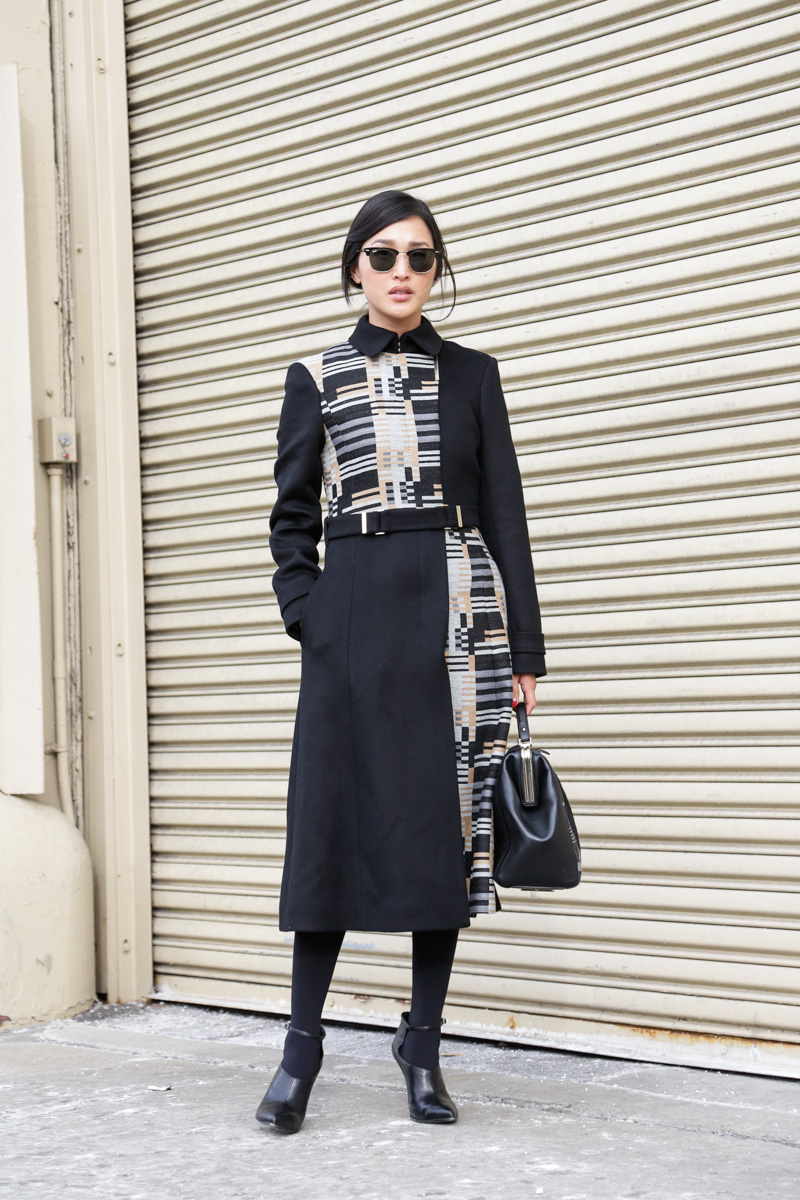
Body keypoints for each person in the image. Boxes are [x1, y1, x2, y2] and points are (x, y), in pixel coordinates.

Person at [258, 190, 546, 1133]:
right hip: (351, 616)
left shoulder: (474, 376)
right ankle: (301, 1051)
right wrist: (308, 614)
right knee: (329, 828)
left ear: (435, 271)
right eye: (382, 255)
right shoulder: (316, 375)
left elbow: (506, 513)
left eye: (420, 257)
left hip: (458, 623)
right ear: (355, 267)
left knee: (440, 831)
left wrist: (525, 648)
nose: (401, 272)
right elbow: (291, 515)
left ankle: (422, 1048)